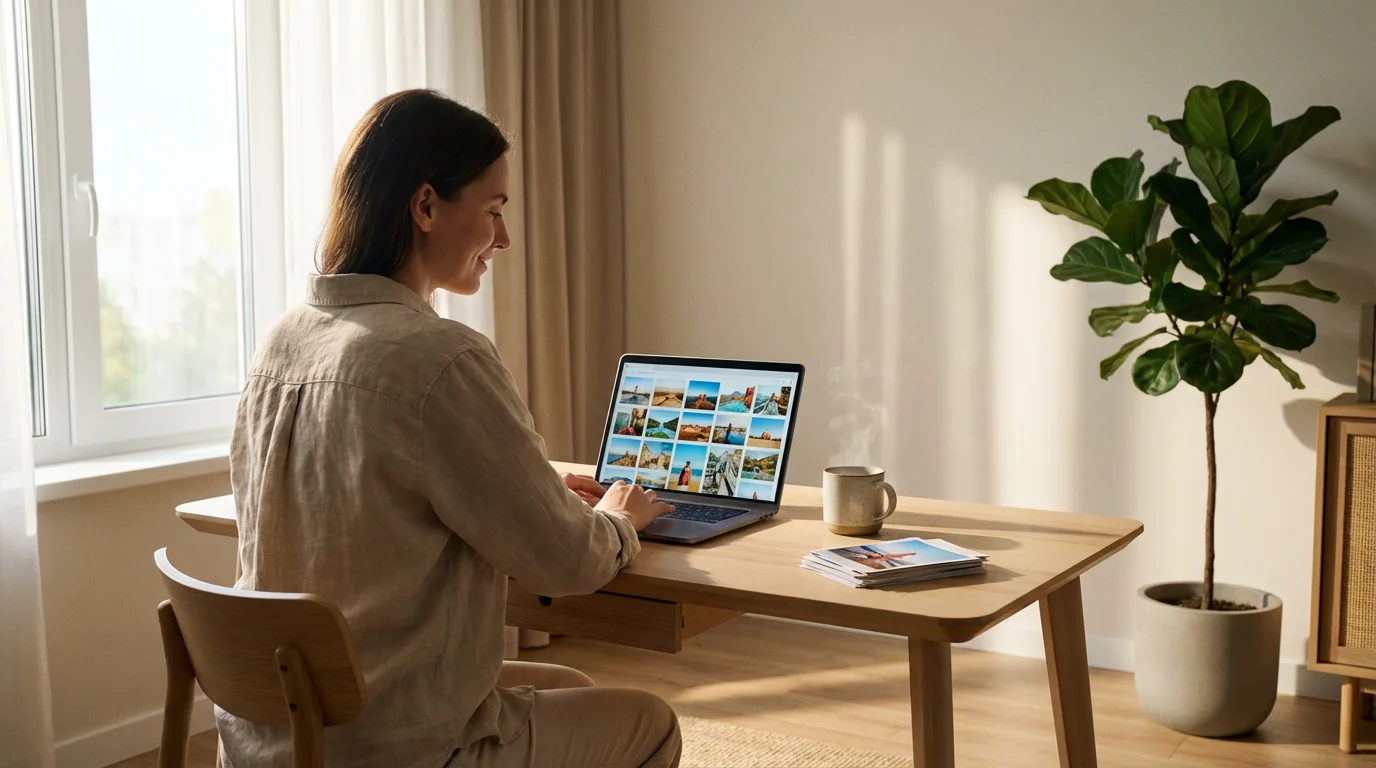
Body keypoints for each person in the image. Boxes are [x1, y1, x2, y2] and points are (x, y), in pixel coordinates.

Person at [224, 89, 680, 768]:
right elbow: (566, 561)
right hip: (391, 744)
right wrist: (617, 516)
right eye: (494, 211)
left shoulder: (283, 341)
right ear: (427, 205)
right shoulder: (438, 356)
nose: (504, 238)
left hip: (283, 729)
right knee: (650, 722)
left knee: (573, 689)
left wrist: (533, 491)